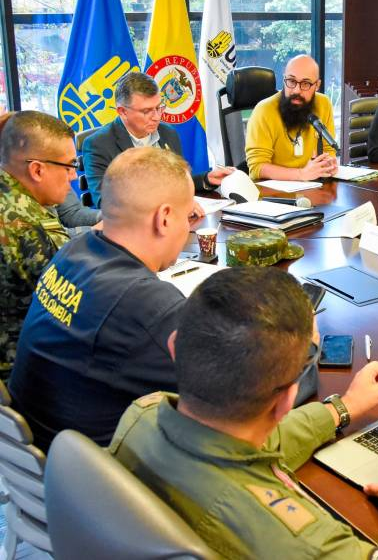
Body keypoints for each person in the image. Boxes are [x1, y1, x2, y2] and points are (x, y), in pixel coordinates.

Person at [109, 266, 378, 559]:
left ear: (175, 348)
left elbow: (244, 440)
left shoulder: (141, 415)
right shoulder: (307, 543)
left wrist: (345, 407)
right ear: (287, 400)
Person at [9, 147, 202, 451]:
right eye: (188, 215)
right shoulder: (146, 303)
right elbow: (229, 394)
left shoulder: (73, 251)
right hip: (96, 482)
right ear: (164, 218)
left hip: (40, 455)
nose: (187, 225)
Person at [82, 71, 233, 207]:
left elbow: (176, 182)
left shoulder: (168, 133)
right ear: (122, 112)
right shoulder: (98, 144)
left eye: (159, 108)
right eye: (147, 111)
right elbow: (105, 201)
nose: (156, 117)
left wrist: (206, 179)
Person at [0, 111, 73, 379]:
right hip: (23, 374)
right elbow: (83, 302)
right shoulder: (32, 228)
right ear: (37, 169)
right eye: (69, 166)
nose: (73, 177)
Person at [245, 55, 338, 181]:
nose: (296, 90)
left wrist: (328, 164)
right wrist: (301, 174)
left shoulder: (323, 104)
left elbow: (328, 149)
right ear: (284, 79)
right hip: (273, 193)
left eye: (305, 83)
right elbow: (257, 167)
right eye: (291, 81)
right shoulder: (264, 110)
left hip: (312, 186)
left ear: (317, 85)